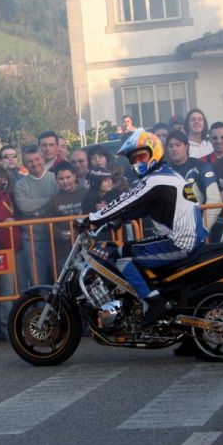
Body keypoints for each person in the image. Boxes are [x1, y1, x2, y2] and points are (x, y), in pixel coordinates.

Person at [85, 129, 208, 326]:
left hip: (179, 243)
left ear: (154, 152)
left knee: (124, 261)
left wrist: (92, 218)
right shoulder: (165, 175)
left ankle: (154, 301)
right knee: (120, 250)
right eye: (134, 159)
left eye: (142, 156)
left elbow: (127, 200)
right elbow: (144, 207)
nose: (138, 162)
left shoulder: (157, 179)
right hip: (183, 238)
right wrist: (119, 219)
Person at [13, 145, 58, 286]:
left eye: (37, 159)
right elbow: (24, 207)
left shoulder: (56, 178)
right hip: (32, 240)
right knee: (38, 284)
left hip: (56, 239)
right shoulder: (20, 185)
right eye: (30, 161)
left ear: (43, 158)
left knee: (59, 282)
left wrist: (36, 211)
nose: (35, 163)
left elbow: (59, 204)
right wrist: (50, 201)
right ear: (25, 165)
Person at [0, 166, 21, 341]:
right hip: (3, 249)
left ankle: (22, 324)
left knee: (21, 288)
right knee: (7, 291)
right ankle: (7, 328)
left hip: (18, 247)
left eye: (3, 179)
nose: (2, 183)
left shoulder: (13, 195)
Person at [166, 129, 221, 232]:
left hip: (196, 229)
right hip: (172, 232)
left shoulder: (202, 167)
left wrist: (203, 229)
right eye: (171, 146)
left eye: (178, 145)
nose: (174, 149)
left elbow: (215, 200)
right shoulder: (164, 171)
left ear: (186, 146)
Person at [46, 162, 87, 269]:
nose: (65, 182)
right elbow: (48, 223)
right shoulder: (54, 200)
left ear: (74, 176)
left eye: (68, 177)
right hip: (64, 252)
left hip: (87, 246)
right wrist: (60, 233)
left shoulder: (86, 193)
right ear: (56, 180)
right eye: (61, 178)